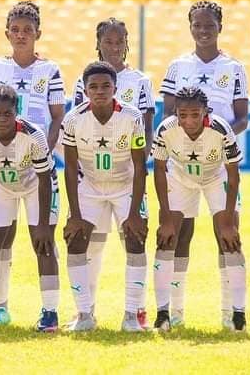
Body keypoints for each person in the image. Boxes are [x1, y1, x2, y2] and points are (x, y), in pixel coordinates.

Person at [159, 0, 249, 330]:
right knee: (180, 235)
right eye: (197, 24)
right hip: (182, 164)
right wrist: (190, 139)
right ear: (190, 27)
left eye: (210, 24)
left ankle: (231, 315)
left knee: (227, 234)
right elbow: (169, 113)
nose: (203, 30)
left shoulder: (234, 67)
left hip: (220, 165)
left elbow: (241, 118)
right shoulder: (177, 66)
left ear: (220, 27)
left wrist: (215, 135)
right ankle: (175, 313)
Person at [0, 0, 63, 326]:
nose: (21, 35)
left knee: (43, 238)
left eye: (28, 30)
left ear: (38, 33)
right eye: (15, 30)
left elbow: (57, 118)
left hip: (37, 169)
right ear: (7, 33)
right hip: (0, 169)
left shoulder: (50, 70)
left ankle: (49, 311)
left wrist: (43, 155)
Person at [72, 17, 154, 327]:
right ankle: (85, 309)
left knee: (133, 238)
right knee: (92, 243)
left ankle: (137, 310)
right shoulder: (85, 81)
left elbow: (145, 127)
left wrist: (137, 167)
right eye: (109, 41)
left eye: (120, 41)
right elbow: (79, 126)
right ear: (98, 44)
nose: (115, 47)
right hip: (92, 177)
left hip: (127, 175)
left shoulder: (140, 81)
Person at [0, 85, 59, 332]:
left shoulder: (33, 135)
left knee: (44, 246)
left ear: (17, 112)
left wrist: (42, 225)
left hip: (35, 185)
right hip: (0, 183)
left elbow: (45, 179)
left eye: (8, 114)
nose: (2, 119)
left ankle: (50, 315)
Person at [151, 86, 242, 331]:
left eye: (195, 114)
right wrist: (166, 217)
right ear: (175, 113)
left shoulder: (221, 129)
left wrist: (228, 221)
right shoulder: (166, 130)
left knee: (230, 240)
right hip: (180, 178)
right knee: (168, 239)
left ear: (205, 111)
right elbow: (159, 170)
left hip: (216, 178)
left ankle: (234, 315)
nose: (189, 121)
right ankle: (167, 314)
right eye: (183, 115)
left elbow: (233, 175)